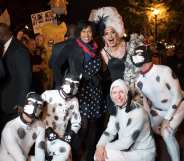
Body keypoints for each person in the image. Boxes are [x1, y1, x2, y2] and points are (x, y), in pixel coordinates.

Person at [56, 20, 106, 161]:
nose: (86, 34)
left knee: (93, 126)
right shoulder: (73, 46)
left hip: (95, 92)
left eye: (89, 31)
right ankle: (75, 154)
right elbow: (56, 63)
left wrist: (98, 77)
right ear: (79, 33)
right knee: (81, 126)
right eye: (83, 31)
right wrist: (62, 85)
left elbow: (100, 69)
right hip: (80, 92)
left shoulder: (96, 47)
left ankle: (89, 156)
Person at [131, 45, 184, 161]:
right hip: (158, 109)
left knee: (167, 133)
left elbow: (178, 96)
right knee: (142, 128)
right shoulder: (138, 79)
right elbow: (144, 101)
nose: (140, 67)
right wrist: (151, 122)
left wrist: (166, 119)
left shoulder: (165, 71)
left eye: (142, 63)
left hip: (178, 107)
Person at [94, 79, 155, 161]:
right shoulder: (117, 108)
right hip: (129, 151)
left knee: (106, 153)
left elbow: (126, 143)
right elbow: (109, 132)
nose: (118, 96)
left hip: (143, 153)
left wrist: (104, 147)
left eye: (121, 92)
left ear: (127, 93)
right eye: (114, 93)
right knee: (98, 154)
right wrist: (99, 145)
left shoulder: (137, 112)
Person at [41, 72, 81, 161]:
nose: (74, 87)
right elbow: (35, 116)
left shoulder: (74, 101)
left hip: (62, 137)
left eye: (76, 85)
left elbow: (76, 122)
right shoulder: (48, 94)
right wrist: (46, 129)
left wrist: (71, 133)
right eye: (71, 84)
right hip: (43, 136)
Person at [0, 23, 32, 130]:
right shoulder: (5, 47)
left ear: (2, 35)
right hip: (6, 101)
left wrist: (21, 103)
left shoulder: (19, 50)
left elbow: (25, 78)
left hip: (14, 105)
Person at [0, 92, 45, 161]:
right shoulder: (9, 129)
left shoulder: (40, 126)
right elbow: (20, 159)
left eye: (38, 106)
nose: (30, 119)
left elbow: (40, 153)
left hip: (25, 157)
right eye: (30, 103)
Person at [49, 24, 77, 88]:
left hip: (59, 87)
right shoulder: (81, 46)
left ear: (67, 33)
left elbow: (50, 65)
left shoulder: (56, 46)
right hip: (75, 87)